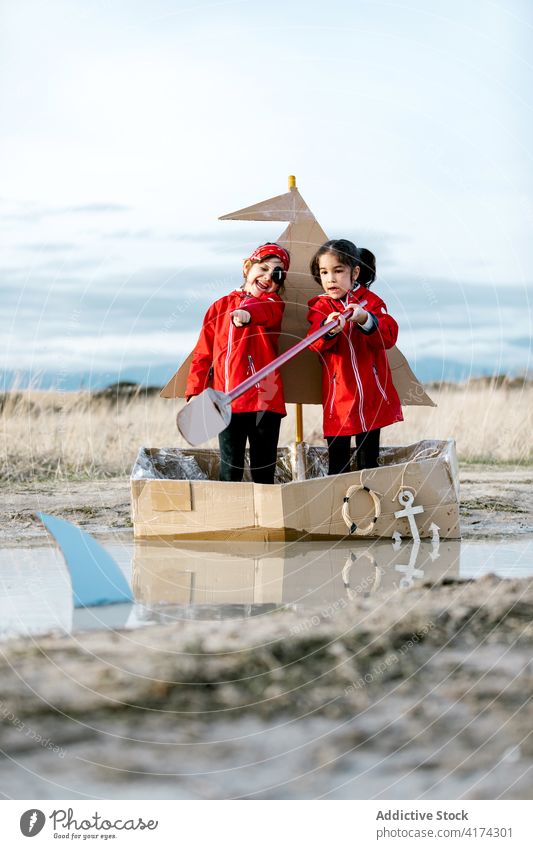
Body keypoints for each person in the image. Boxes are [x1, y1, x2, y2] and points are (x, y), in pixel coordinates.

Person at [185, 243, 289, 483]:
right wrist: (195, 393)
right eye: (263, 268)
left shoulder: (273, 304)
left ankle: (266, 519)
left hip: (265, 402)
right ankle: (230, 517)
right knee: (230, 469)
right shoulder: (218, 308)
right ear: (246, 267)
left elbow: (262, 311)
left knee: (263, 470)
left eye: (277, 274)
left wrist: (247, 314)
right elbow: (202, 356)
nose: (268, 277)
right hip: (226, 403)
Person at [307, 239, 402, 475]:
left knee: (369, 464)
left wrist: (364, 319)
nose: (331, 279)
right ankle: (339, 509)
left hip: (371, 395)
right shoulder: (320, 307)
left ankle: (369, 509)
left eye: (338, 271)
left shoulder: (372, 302)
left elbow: (388, 337)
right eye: (324, 272)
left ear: (355, 272)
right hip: (338, 399)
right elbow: (313, 344)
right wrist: (327, 329)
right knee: (337, 465)